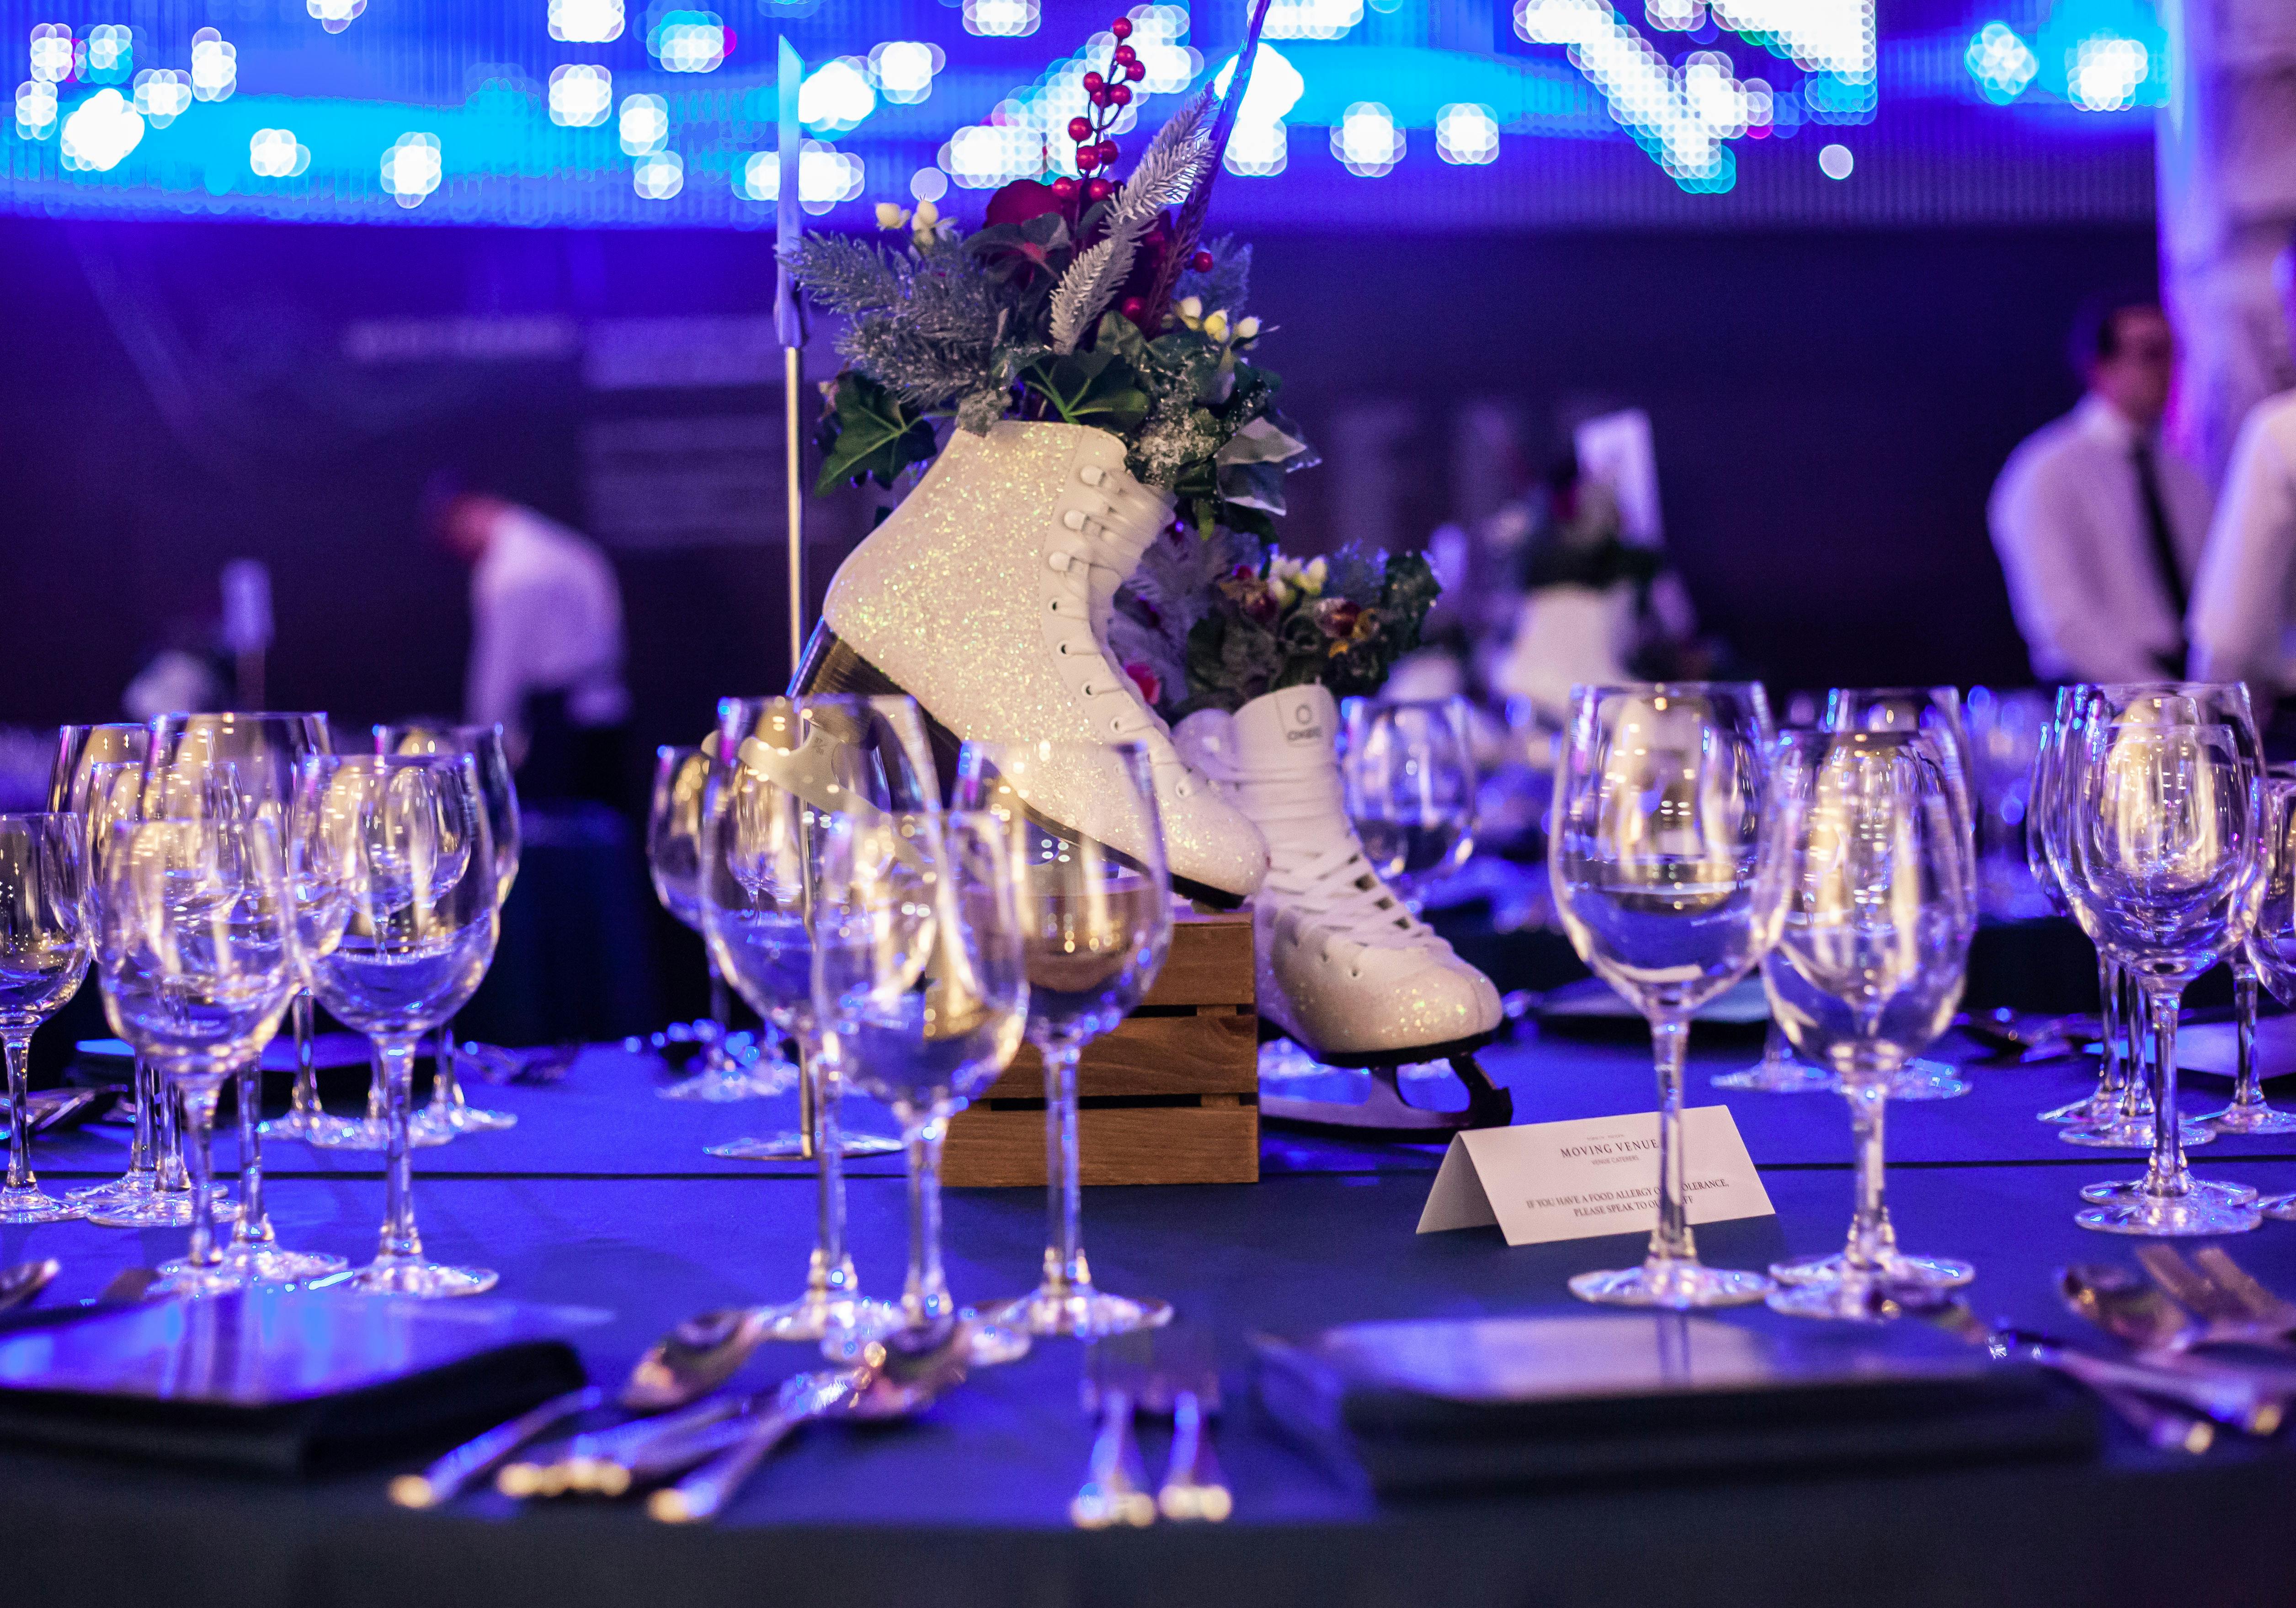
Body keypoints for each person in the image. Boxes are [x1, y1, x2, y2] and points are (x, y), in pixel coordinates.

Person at [1988, 296, 2214, 684]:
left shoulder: (2183, 475)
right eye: (2150, 354)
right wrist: (2157, 694)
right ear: (2099, 368)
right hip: (2096, 693)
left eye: (2173, 354)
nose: (2167, 370)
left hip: (2186, 679)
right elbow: (2061, 617)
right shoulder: (2046, 470)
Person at [425, 474, 631, 806]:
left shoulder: (513, 570)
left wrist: (481, 746)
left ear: (472, 511)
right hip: (604, 715)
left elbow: (500, 667)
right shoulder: (560, 546)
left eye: (453, 532)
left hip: (559, 729)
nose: (456, 547)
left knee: (558, 839)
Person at [2186, 235, 2296, 706]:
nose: (2280, 330)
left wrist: (2189, 733)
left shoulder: (2279, 431)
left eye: (2287, 305)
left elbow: (2230, 637)